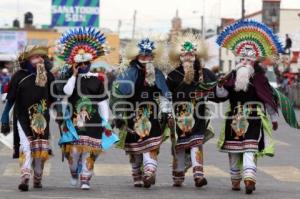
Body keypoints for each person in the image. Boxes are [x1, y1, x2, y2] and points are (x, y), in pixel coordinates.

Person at [215, 20, 283, 194]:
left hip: (253, 117)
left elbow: (268, 99)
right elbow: (222, 96)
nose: (245, 62)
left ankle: (249, 179)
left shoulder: (260, 78)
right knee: (234, 151)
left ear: (254, 61)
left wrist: (274, 118)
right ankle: (235, 179)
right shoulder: (232, 76)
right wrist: (221, 86)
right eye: (243, 58)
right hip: (234, 118)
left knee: (250, 148)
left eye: (249, 59)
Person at [111, 38, 174, 188]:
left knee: (151, 145)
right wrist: (118, 115)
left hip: (153, 116)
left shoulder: (158, 73)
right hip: (133, 115)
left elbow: (165, 93)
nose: (147, 59)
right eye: (143, 56)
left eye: (150, 56)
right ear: (136, 57)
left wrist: (167, 111)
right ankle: (137, 175)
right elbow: (118, 94)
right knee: (135, 148)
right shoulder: (128, 73)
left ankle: (149, 172)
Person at [55, 27, 112, 190]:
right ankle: (74, 172)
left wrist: (106, 121)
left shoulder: (97, 79)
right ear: (74, 64)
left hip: (93, 122)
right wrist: (73, 75)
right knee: (73, 152)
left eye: (86, 63)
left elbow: (102, 102)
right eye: (80, 64)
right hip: (73, 121)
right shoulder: (70, 78)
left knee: (89, 151)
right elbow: (66, 92)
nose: (83, 66)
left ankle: (86, 179)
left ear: (91, 62)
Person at [167, 34, 219, 188]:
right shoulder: (173, 75)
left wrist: (220, 88)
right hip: (179, 116)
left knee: (196, 142)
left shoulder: (206, 74)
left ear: (196, 55)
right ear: (179, 56)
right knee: (180, 145)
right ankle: (178, 175)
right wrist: (167, 112)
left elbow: (217, 94)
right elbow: (166, 96)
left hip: (198, 115)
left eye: (191, 54)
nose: (188, 56)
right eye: (184, 54)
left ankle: (198, 175)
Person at [0, 46, 55, 191]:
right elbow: (10, 99)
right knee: (26, 146)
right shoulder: (19, 75)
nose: (40, 59)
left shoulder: (48, 76)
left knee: (40, 150)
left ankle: (38, 177)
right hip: (22, 117)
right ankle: (25, 176)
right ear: (28, 59)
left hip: (41, 119)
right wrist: (4, 116)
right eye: (36, 57)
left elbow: (55, 99)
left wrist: (63, 118)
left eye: (41, 57)